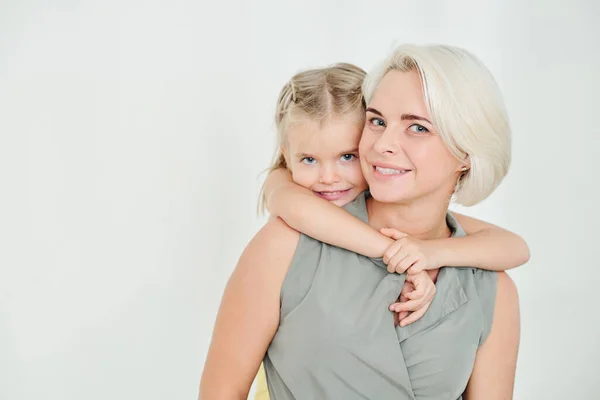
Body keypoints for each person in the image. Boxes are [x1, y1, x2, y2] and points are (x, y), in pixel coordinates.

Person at [200, 45, 523, 400]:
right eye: (377, 121)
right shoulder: (286, 246)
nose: (383, 143)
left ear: (465, 152)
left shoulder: (491, 289)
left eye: (417, 127)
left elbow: (515, 248)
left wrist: (430, 253)